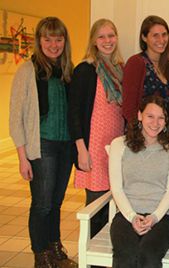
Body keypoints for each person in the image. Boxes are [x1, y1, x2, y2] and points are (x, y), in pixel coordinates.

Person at [9, 17, 77, 268]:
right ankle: (41, 253)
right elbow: (15, 117)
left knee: (56, 202)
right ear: (39, 41)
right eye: (47, 38)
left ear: (64, 41)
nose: (53, 44)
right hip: (42, 146)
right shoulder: (28, 71)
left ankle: (54, 245)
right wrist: (21, 156)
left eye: (58, 39)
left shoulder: (68, 71)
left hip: (65, 146)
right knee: (42, 203)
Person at [68, 18, 124, 239]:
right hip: (93, 148)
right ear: (93, 41)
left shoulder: (120, 69)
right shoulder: (85, 70)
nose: (107, 41)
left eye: (111, 35)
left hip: (115, 148)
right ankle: (91, 256)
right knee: (95, 207)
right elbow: (74, 113)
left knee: (113, 205)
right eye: (101, 36)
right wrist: (81, 149)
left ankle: (107, 253)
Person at [108, 95, 169, 268]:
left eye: (161, 118)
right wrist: (132, 217)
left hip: (162, 218)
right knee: (126, 255)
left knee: (148, 254)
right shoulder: (119, 145)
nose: (155, 123)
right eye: (150, 116)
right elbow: (116, 189)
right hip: (126, 215)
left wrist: (154, 217)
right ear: (140, 115)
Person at [122, 15, 169, 131]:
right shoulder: (136, 63)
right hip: (141, 134)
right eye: (155, 35)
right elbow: (129, 107)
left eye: (164, 34)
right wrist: (142, 134)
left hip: (165, 133)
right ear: (144, 37)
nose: (161, 40)